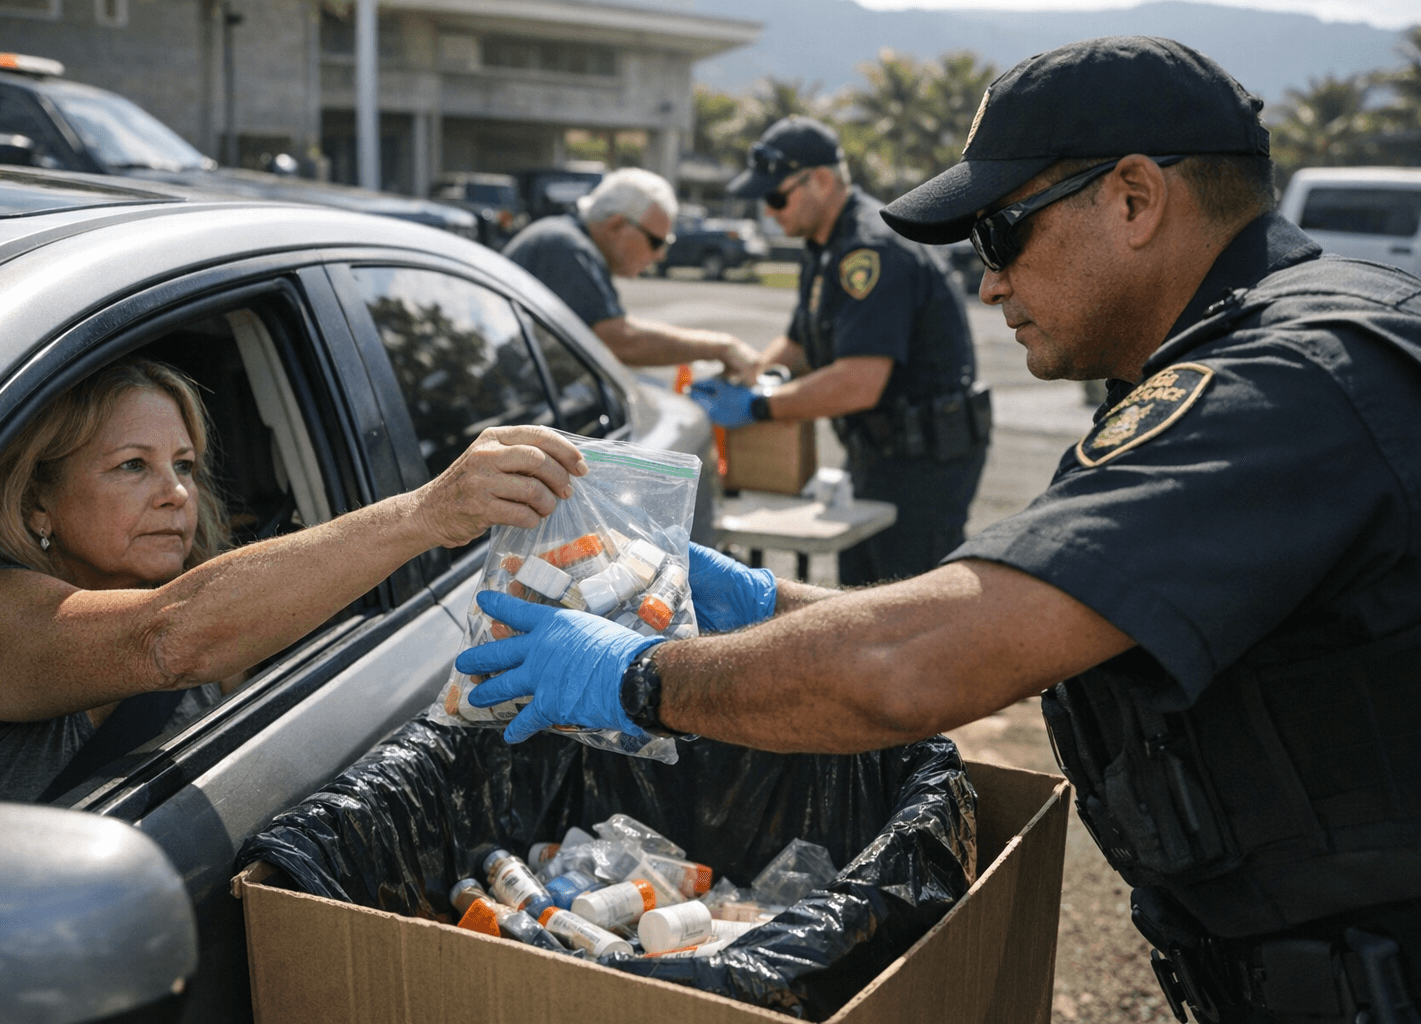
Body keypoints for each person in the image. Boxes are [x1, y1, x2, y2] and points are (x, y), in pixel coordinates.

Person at [454, 36, 1421, 1024]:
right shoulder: (1259, 354)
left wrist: (640, 680)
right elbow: (1022, 619)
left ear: (1133, 198)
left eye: (1000, 234)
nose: (988, 283)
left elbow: (914, 669)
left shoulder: (1278, 384)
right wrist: (760, 601)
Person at [0, 357, 586, 804]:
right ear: (37, 500)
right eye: (133, 465)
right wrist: (427, 512)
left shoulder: (219, 602)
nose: (175, 495)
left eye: (185, 466)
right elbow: (167, 638)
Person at [691, 116, 988, 583]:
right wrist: (751, 374)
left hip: (924, 461)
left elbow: (858, 383)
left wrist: (759, 405)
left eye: (776, 197)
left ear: (823, 181)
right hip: (878, 450)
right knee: (860, 586)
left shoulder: (869, 251)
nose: (769, 212)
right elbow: (801, 343)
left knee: (906, 604)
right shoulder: (823, 244)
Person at [503, 167, 760, 383]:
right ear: (616, 225)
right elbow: (620, 341)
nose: (660, 255)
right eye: (657, 242)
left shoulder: (568, 241)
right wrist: (719, 347)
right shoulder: (566, 248)